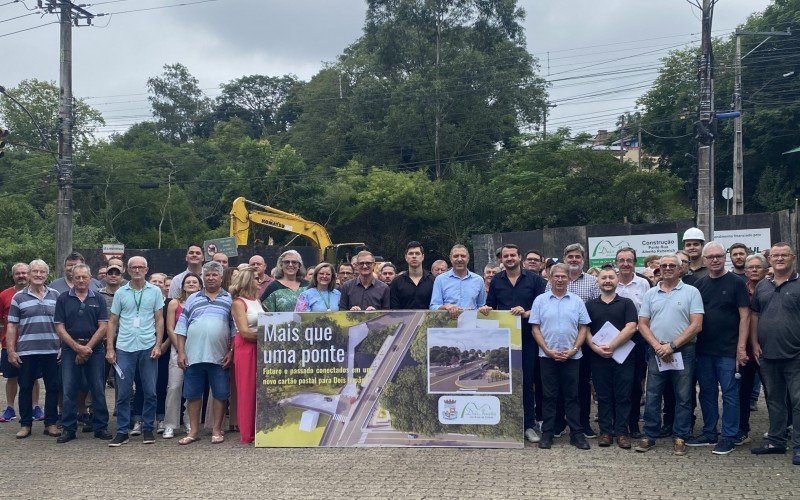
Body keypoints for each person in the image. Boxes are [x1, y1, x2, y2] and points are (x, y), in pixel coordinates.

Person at [635, 254, 704, 456]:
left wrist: (672, 346)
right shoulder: (651, 293)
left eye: (672, 265)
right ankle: (649, 434)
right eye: (664, 265)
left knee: (683, 396)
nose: (667, 268)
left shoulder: (692, 292)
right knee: (653, 394)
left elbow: (696, 325)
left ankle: (680, 435)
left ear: (681, 268)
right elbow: (642, 324)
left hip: (684, 350)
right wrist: (658, 346)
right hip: (656, 351)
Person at [479, 244, 546, 443]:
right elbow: (491, 305)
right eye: (506, 256)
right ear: (502, 259)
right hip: (503, 339)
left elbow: (543, 308)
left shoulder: (535, 280)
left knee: (525, 382)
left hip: (528, 338)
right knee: (503, 381)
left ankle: (528, 425)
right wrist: (486, 309)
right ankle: (506, 423)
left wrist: (526, 312)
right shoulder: (497, 280)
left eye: (512, 255)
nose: (509, 258)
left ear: (520, 257)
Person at [689, 241, 750, 455]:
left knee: (730, 394)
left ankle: (729, 436)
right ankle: (709, 432)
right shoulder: (699, 285)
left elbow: (745, 316)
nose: (714, 260)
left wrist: (741, 348)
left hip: (728, 350)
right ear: (704, 261)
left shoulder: (736, 282)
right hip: (704, 350)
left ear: (724, 257)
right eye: (710, 257)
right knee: (706, 393)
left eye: (718, 256)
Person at [530, 263, 591, 451]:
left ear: (569, 279)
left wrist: (574, 349)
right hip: (547, 356)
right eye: (556, 276)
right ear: (550, 277)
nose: (559, 279)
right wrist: (547, 350)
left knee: (572, 396)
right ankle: (547, 433)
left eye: (563, 276)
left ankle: (576, 434)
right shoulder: (540, 300)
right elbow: (535, 328)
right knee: (549, 396)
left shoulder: (577, 301)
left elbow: (584, 327)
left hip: (572, 357)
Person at [106, 256, 165, 447]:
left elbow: (159, 320)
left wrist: (158, 345)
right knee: (123, 393)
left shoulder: (155, 291)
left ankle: (148, 428)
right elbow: (113, 321)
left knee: (150, 391)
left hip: (147, 345)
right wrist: (110, 348)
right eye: (134, 267)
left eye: (141, 267)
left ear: (147, 270)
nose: (137, 270)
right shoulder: (121, 293)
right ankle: (122, 431)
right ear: (128, 270)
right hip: (124, 347)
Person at [750, 242, 800, 466]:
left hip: (795, 355)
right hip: (767, 354)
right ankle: (776, 442)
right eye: (775, 255)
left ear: (793, 258)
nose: (779, 259)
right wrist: (753, 343)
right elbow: (755, 316)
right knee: (774, 400)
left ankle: (798, 447)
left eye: (784, 255)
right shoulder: (762, 285)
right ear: (769, 260)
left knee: (798, 402)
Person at [174, 261, 234, 445]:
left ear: (221, 277)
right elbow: (182, 327)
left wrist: (231, 352)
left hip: (219, 356)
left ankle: (216, 429)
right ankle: (193, 431)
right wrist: (181, 352)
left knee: (220, 394)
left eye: (215, 274)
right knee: (192, 394)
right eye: (207, 275)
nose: (211, 278)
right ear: (203, 277)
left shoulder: (229, 299)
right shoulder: (192, 299)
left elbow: (234, 330)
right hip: (194, 355)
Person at [53, 263, 112, 443]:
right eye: (77, 277)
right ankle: (69, 428)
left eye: (84, 277)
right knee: (69, 388)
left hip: (95, 349)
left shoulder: (99, 298)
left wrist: (88, 348)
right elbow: (59, 327)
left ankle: (100, 426)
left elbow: (103, 326)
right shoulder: (63, 299)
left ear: (90, 278)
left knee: (98, 388)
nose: (80, 280)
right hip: (70, 349)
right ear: (72, 277)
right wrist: (77, 348)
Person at [547, 243, 600, 438]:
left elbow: (596, 309)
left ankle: (583, 423)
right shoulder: (554, 280)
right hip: (558, 343)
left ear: (583, 259)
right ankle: (560, 423)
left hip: (583, 341)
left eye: (577, 257)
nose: (574, 260)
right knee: (559, 385)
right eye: (570, 257)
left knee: (582, 385)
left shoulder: (593, 281)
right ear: (565, 259)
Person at [5, 259, 62, 439]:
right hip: (27, 351)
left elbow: (62, 324)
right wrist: (11, 350)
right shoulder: (19, 297)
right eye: (35, 272)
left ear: (47, 274)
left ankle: (51, 423)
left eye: (42, 272)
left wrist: (62, 346)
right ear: (29, 274)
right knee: (26, 387)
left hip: (52, 350)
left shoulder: (56, 295)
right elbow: (12, 326)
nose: (38, 275)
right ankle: (25, 424)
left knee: (53, 387)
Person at [585, 264, 638, 449]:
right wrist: (595, 348)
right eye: (603, 278)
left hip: (623, 357)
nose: (607, 281)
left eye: (611, 278)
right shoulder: (590, 305)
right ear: (598, 281)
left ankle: (622, 432)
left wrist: (612, 345)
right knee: (603, 396)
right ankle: (606, 432)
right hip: (599, 358)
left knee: (624, 395)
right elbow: (585, 330)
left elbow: (631, 327)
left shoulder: (626, 303)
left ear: (617, 280)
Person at [614, 247, 652, 439]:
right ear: (616, 263)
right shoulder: (610, 282)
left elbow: (648, 313)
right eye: (621, 260)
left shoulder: (644, 284)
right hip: (611, 339)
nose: (625, 264)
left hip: (637, 339)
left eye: (629, 260)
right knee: (615, 382)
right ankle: (614, 423)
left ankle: (633, 423)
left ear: (635, 262)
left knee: (635, 383)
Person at [0, 263, 41, 424]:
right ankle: (10, 408)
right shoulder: (4, 295)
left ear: (29, 274)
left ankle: (35, 406)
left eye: (24, 273)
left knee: (34, 377)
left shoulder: (37, 293)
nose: (21, 276)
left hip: (32, 344)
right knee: (11, 377)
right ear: (13, 276)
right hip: (9, 344)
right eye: (18, 273)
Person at [163, 273, 202, 439]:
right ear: (182, 285)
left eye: (194, 282)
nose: (191, 284)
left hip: (198, 349)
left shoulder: (203, 302)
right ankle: (170, 424)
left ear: (200, 286)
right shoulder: (174, 303)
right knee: (174, 386)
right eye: (188, 282)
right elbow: (170, 328)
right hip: (177, 349)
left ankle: (190, 422)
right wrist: (180, 349)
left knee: (193, 388)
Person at [230, 267, 264, 444]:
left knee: (259, 389)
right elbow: (244, 331)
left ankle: (259, 428)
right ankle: (247, 432)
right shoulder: (238, 302)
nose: (259, 281)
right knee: (247, 389)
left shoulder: (257, 301)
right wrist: (269, 337)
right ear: (248, 280)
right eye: (256, 278)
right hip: (246, 347)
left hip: (260, 346)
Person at [738, 253, 768, 444]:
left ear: (766, 270)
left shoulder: (773, 289)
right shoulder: (741, 289)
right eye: (751, 267)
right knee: (743, 392)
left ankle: (781, 428)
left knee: (774, 392)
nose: (754, 270)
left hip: (769, 349)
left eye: (758, 267)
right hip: (745, 351)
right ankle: (742, 429)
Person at [429, 245, 486, 318]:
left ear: (468, 258)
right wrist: (445, 307)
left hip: (471, 325)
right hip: (447, 325)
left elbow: (481, 306)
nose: (459, 259)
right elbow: (433, 307)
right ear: (450, 258)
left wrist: (484, 309)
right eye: (456, 256)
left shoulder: (479, 280)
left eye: (463, 256)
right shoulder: (440, 280)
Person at [390, 241, 435, 310]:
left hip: (427, 320)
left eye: (417, 253)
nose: (414, 256)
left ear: (422, 257)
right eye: (411, 253)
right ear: (406, 257)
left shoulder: (433, 281)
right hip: (403, 320)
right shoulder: (396, 282)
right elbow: (394, 310)